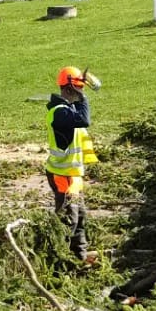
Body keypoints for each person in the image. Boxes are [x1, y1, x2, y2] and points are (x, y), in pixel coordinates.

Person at [44, 65, 98, 261]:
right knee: (68, 218)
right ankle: (58, 259)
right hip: (61, 175)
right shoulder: (59, 113)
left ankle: (79, 257)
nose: (81, 92)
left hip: (73, 174)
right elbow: (84, 120)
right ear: (69, 89)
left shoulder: (68, 109)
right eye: (79, 88)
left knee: (79, 216)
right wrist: (83, 98)